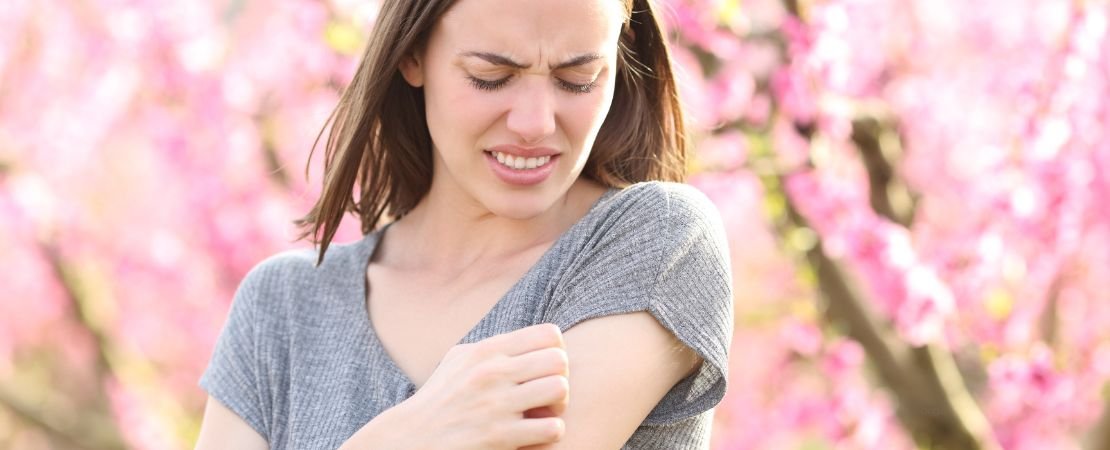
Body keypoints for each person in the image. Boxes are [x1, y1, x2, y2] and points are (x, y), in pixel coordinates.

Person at [194, 0, 734, 448]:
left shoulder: (658, 242)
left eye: (577, 80)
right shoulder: (282, 310)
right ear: (412, 56)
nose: (535, 123)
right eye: (491, 78)